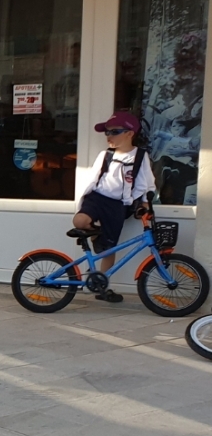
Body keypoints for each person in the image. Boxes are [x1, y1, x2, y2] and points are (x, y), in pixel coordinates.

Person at [71, 110, 156, 303]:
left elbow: (146, 182)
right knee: (80, 220)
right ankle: (97, 235)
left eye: (114, 131)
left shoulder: (141, 157)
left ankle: (102, 285)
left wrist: (144, 203)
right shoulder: (105, 155)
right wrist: (83, 199)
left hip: (117, 205)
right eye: (106, 133)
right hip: (98, 198)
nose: (109, 136)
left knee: (109, 249)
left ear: (129, 133)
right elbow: (93, 179)